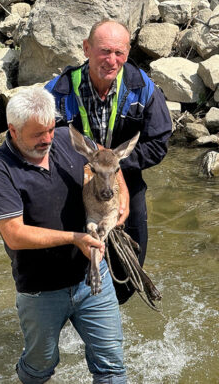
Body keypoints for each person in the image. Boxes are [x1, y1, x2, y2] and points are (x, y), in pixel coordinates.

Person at [0, 87, 128, 383]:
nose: (47, 139)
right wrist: (75, 238)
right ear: (13, 130)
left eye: (49, 129)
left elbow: (108, 160)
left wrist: (121, 197)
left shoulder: (64, 139)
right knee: (41, 367)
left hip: (91, 278)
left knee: (111, 365)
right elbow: (15, 235)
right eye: (37, 134)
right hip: (40, 288)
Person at [45, 19, 172, 304]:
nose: (111, 60)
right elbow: (39, 142)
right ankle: (71, 305)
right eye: (104, 51)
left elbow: (159, 142)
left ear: (127, 54)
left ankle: (113, 309)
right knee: (68, 255)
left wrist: (117, 169)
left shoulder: (143, 88)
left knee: (132, 260)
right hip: (73, 179)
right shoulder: (57, 91)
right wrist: (90, 164)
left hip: (124, 171)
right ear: (86, 48)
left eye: (119, 53)